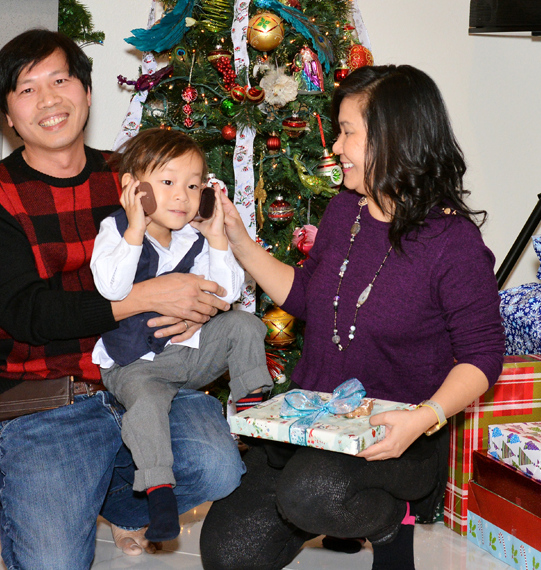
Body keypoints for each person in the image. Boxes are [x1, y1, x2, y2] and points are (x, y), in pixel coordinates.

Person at [0, 29, 244, 570]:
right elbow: (23, 313)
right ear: (9, 118)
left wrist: (201, 300)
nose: (48, 100)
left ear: (87, 93)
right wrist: (140, 298)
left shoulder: (133, 177)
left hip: (148, 376)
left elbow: (198, 256)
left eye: (60, 80)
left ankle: (115, 502)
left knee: (218, 466)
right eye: (26, 89)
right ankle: (43, 491)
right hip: (48, 398)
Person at [199, 65, 505, 570]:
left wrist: (421, 419)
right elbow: (306, 297)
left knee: (310, 493)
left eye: (347, 132)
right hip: (315, 420)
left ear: (394, 138)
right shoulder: (346, 210)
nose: (336, 147)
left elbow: (482, 356)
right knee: (227, 554)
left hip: (396, 434)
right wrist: (237, 239)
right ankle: (337, 503)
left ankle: (392, 521)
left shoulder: (454, 245)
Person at [91, 127, 271, 542]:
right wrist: (135, 229)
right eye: (168, 183)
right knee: (148, 405)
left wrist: (217, 238)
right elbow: (112, 289)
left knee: (245, 324)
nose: (181, 197)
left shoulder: (194, 237)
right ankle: (159, 492)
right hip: (135, 363)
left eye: (193, 186)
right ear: (134, 188)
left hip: (188, 356)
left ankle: (254, 411)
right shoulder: (115, 230)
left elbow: (226, 295)